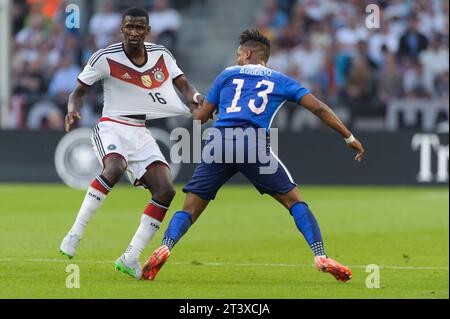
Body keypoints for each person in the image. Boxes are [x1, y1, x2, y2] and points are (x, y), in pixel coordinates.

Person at [142, 29, 365, 282]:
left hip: (218, 144)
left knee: (190, 209)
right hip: (252, 145)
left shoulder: (227, 74)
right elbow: (319, 108)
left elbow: (200, 117)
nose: (237, 58)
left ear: (247, 53)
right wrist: (348, 137)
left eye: (239, 54)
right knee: (294, 201)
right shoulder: (281, 80)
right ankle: (320, 255)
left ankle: (166, 246)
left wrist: (199, 107)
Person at [59, 7, 204, 280]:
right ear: (122, 29)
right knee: (114, 168)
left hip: (140, 131)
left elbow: (184, 86)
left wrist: (196, 98)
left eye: (140, 27)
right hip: (112, 125)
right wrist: (72, 109)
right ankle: (75, 233)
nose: (135, 32)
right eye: (130, 27)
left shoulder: (161, 55)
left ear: (147, 31)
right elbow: (78, 91)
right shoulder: (105, 57)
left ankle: (130, 256)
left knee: (165, 191)